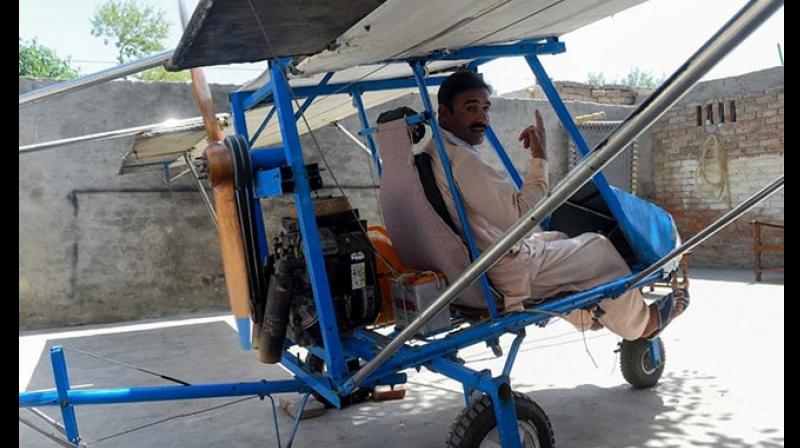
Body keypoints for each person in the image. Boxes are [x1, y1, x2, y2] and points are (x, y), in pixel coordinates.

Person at [422, 71, 686, 340]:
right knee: (599, 249)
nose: (482, 118)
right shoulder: (463, 163)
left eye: (485, 108)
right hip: (505, 274)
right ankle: (642, 324)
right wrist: (540, 157)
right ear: (444, 114)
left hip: (484, 263)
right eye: (471, 109)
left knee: (559, 237)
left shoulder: (435, 153)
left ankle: (587, 315)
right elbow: (522, 218)